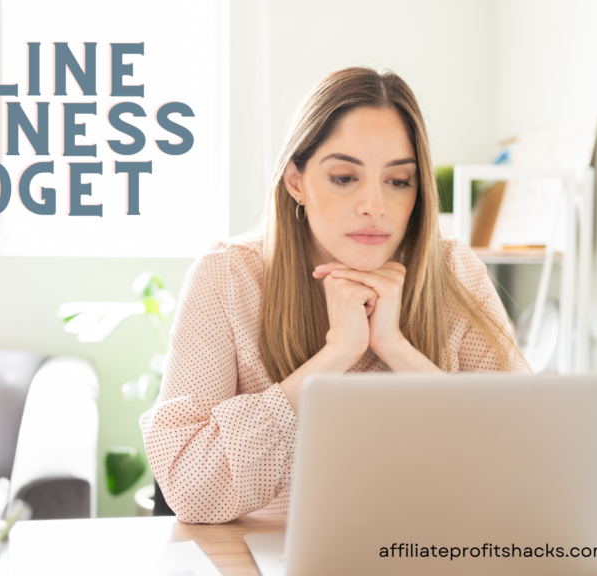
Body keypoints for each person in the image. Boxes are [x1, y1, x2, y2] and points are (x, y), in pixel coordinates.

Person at [139, 66, 530, 524]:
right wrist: (336, 354)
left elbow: (524, 455)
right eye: (345, 178)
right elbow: (191, 489)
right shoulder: (227, 277)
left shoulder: (454, 272)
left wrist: (396, 348)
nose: (375, 206)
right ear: (296, 182)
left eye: (398, 181)